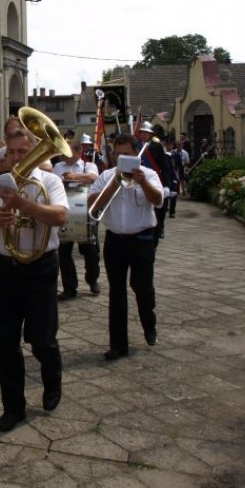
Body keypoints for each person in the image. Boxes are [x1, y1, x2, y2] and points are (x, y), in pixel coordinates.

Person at [0, 127, 69, 432]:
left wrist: (24, 205)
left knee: (42, 339)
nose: (17, 158)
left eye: (23, 152)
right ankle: (13, 407)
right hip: (5, 268)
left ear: (34, 152)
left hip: (41, 268)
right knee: (6, 343)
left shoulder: (50, 182)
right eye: (12, 153)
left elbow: (59, 217)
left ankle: (52, 382)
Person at [87, 133, 163, 361]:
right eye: (118, 155)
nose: (122, 159)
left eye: (127, 155)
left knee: (142, 287)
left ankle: (149, 324)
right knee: (116, 292)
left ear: (136, 154)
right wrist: (113, 184)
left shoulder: (148, 174)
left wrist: (142, 182)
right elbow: (93, 205)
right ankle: (118, 345)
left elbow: (158, 199)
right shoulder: (106, 176)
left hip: (142, 240)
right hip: (115, 240)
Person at [52, 140, 100, 300]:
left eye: (68, 151)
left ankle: (92, 279)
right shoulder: (58, 167)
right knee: (64, 253)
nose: (64, 154)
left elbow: (93, 178)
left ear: (79, 152)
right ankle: (69, 287)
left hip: (83, 211)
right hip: (66, 211)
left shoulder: (88, 165)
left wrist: (75, 176)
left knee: (90, 251)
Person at [137, 121, 172, 246]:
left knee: (159, 210)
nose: (144, 135)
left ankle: (158, 230)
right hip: (139, 181)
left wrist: (167, 185)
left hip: (155, 180)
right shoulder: (135, 146)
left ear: (151, 134)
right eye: (142, 133)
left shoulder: (156, 147)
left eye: (147, 133)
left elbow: (165, 166)